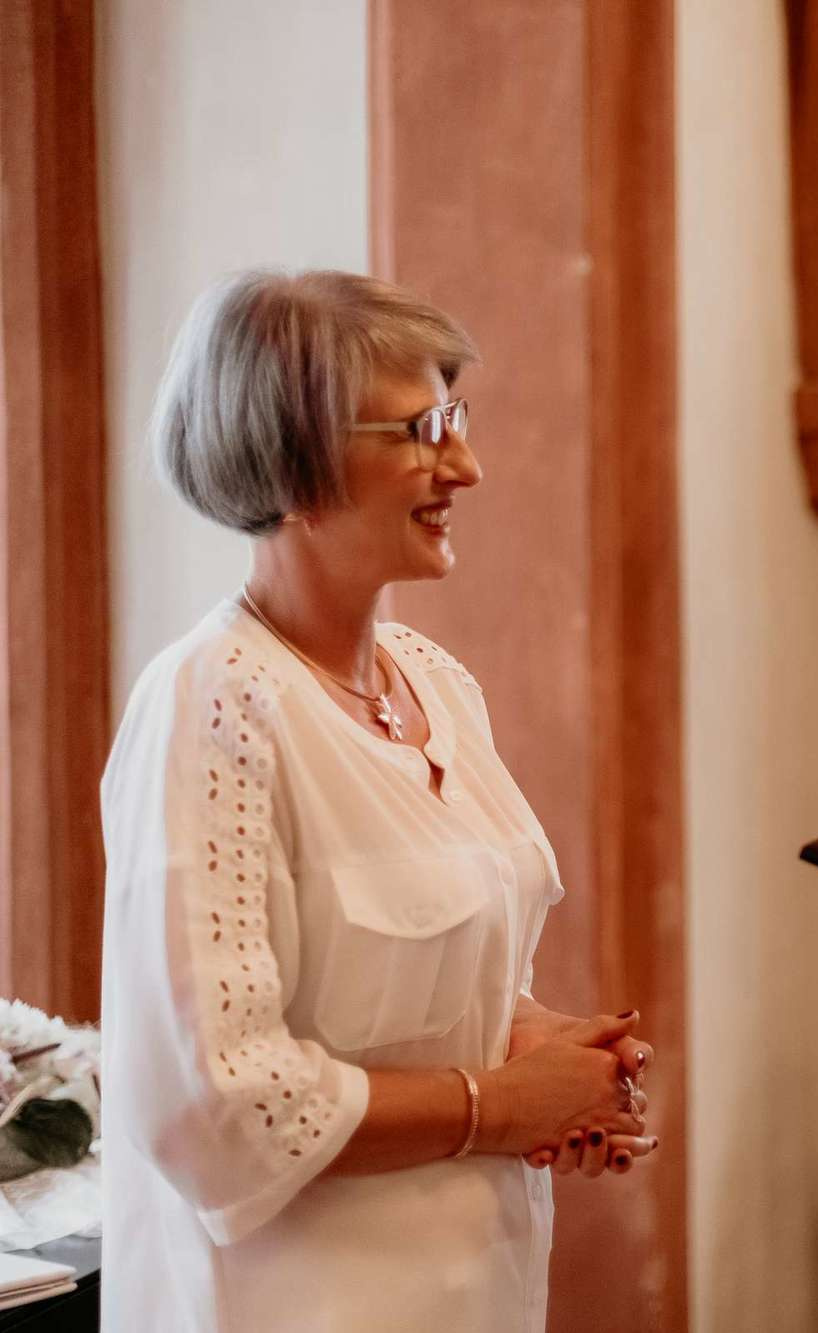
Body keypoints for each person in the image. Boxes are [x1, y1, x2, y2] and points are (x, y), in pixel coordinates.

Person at [101, 270, 657, 1332]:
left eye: (457, 419)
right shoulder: (212, 702)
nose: (468, 464)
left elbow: (441, 995)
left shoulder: (432, 678)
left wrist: (560, 1058)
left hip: (474, 1290)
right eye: (422, 429)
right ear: (294, 454)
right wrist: (496, 1109)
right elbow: (219, 1100)